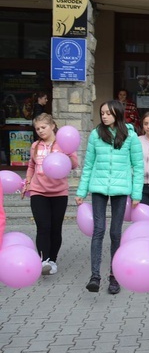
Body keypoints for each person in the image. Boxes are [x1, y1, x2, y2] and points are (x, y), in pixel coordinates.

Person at [76, 100, 143, 295]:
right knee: (98, 230)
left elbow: (138, 167)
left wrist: (137, 194)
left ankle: (115, 276)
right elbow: (88, 165)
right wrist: (81, 192)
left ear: (118, 114)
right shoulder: (96, 134)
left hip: (121, 190)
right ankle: (95, 276)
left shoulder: (130, 136)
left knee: (115, 233)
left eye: (108, 113)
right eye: (102, 112)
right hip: (98, 188)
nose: (104, 116)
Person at [22, 113, 79, 275]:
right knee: (43, 226)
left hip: (59, 193)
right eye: (37, 128)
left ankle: (52, 260)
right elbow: (31, 166)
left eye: (43, 127)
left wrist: (68, 153)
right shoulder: (35, 146)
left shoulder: (63, 144)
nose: (40, 131)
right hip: (38, 191)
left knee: (55, 228)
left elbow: (74, 165)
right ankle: (44, 260)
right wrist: (27, 182)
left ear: (52, 126)